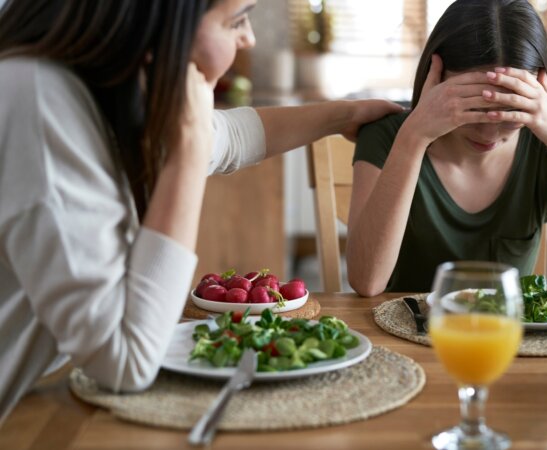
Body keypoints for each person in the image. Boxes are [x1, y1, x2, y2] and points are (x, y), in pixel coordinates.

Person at [0, 0, 401, 422]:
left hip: (39, 393)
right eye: (236, 20)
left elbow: (229, 135)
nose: (250, 37)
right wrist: (187, 160)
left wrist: (344, 115)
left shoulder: (87, 87)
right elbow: (126, 363)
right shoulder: (41, 107)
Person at [347, 0, 547, 298]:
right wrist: (413, 138)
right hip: (403, 338)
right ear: (436, 78)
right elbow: (366, 281)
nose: (489, 132)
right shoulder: (389, 136)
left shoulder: (546, 149)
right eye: (472, 109)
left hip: (508, 342)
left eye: (508, 113)